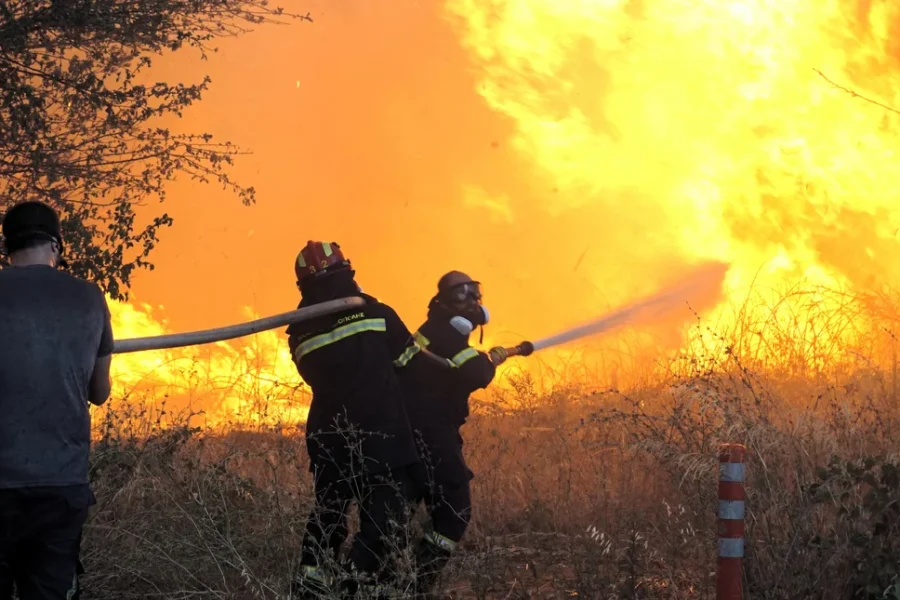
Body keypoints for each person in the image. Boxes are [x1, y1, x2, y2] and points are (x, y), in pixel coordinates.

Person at [287, 241, 421, 599]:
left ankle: (308, 589)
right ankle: (353, 586)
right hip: (383, 439)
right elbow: (410, 365)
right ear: (348, 272)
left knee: (328, 516)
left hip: (330, 438)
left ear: (303, 286)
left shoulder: (299, 332)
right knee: (381, 523)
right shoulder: (378, 314)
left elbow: (317, 372)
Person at [0, 201, 113, 600]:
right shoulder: (89, 297)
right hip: (60, 486)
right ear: (56, 247)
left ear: (7, 248)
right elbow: (99, 393)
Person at [394, 271, 508, 598]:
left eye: (474, 292)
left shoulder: (432, 331)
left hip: (410, 432)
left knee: (399, 514)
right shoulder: (442, 332)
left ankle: (387, 581)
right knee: (454, 511)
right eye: (461, 294)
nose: (471, 300)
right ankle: (416, 585)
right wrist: (491, 359)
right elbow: (474, 372)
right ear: (444, 301)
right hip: (430, 433)